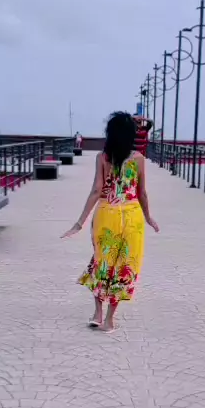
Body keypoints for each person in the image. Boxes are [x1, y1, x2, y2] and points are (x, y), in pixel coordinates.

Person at [61, 111, 159, 332]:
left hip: (107, 214)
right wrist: (148, 217)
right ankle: (109, 320)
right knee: (124, 265)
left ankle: (97, 313)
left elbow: (97, 190)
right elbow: (142, 193)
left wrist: (79, 223)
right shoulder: (138, 159)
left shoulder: (103, 157)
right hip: (132, 216)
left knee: (102, 261)